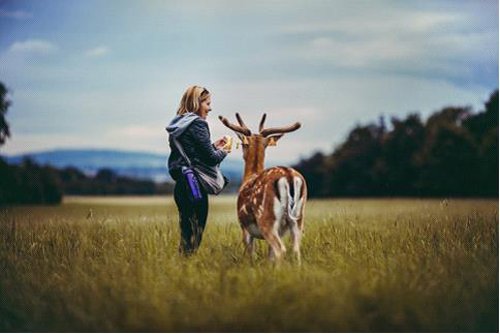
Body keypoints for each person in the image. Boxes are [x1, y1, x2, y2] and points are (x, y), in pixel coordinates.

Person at [166, 85, 229, 255]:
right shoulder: (198, 124)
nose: (210, 108)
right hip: (194, 185)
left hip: (181, 184)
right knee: (196, 233)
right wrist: (225, 151)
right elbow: (211, 159)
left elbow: (191, 152)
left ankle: (181, 268)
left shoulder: (179, 123)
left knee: (185, 232)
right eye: (207, 103)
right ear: (197, 103)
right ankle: (187, 268)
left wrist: (213, 146)